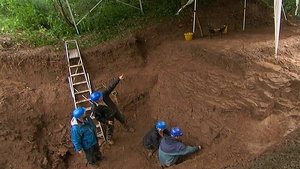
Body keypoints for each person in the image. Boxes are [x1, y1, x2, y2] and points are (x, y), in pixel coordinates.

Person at [90, 74, 134, 145]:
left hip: (114, 110)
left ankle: (127, 127)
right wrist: (107, 122)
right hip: (108, 117)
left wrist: (118, 79)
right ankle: (109, 138)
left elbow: (110, 88)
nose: (102, 96)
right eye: (100, 97)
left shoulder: (103, 95)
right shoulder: (95, 109)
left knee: (122, 118)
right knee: (110, 127)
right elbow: (99, 118)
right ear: (97, 100)